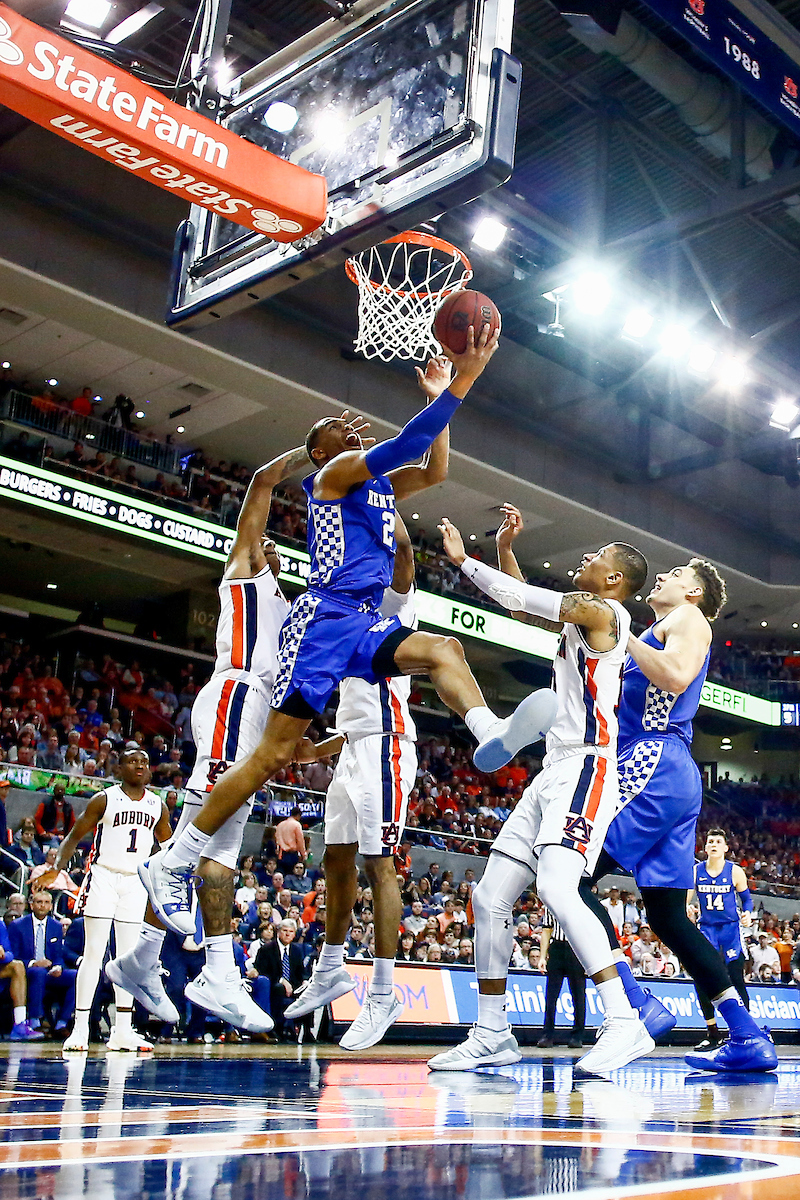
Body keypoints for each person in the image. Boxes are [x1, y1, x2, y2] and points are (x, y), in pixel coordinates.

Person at [142, 331, 556, 933]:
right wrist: (465, 379)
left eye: (349, 425)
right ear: (320, 452)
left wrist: (440, 396)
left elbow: (434, 464)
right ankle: (175, 861)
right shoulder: (334, 475)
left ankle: (488, 729)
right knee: (273, 755)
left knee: (444, 649)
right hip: (323, 618)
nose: (349, 425)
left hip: (364, 619)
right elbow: (411, 439)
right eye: (334, 426)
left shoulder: (381, 486)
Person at [108, 444, 338, 1034]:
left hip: (255, 712)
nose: (270, 549)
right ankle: (214, 970)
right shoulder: (243, 576)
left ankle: (140, 963)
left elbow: (304, 749)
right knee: (211, 850)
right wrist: (305, 457)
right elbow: (260, 485)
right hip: (235, 695)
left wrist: (356, 736)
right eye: (264, 543)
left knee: (213, 847)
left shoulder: (289, 610)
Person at [429, 506, 653, 1074]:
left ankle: (624, 1023)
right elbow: (519, 604)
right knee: (488, 898)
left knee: (557, 887)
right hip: (552, 771)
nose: (584, 557)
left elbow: (527, 602)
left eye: (595, 556)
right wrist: (506, 551)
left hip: (587, 768)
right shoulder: (583, 619)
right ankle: (491, 1032)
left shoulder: (606, 613)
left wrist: (465, 562)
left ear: (612, 580)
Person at [580, 559, 778, 1074]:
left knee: (570, 875)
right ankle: (746, 1035)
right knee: (668, 916)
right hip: (664, 771)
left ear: (693, 591)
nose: (663, 578)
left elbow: (675, 674)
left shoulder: (689, 620)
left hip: (652, 761)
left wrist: (624, 636)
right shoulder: (654, 629)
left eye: (673, 573)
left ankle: (635, 1001)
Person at [284, 513, 423, 1051]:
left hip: (388, 745)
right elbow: (353, 715)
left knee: (378, 864)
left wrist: (383, 508)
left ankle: (383, 993)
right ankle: (331, 967)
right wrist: (318, 748)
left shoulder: (389, 606)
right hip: (354, 747)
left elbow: (406, 560)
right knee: (335, 860)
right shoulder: (341, 619)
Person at [54, 749, 172, 1051]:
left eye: (144, 762)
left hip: (136, 881)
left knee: (128, 959)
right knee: (94, 953)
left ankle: (122, 1029)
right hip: (104, 876)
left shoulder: (157, 804)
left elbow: (167, 848)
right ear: (119, 767)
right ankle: (79, 1028)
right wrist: (56, 868)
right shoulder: (105, 799)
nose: (140, 766)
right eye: (133, 761)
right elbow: (74, 835)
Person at [689, 828, 754, 1050]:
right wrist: (687, 907)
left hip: (730, 930)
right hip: (707, 929)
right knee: (702, 979)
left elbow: (747, 900)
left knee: (736, 979)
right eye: (710, 841)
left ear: (726, 848)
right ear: (705, 848)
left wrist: (747, 913)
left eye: (718, 841)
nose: (714, 844)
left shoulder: (735, 872)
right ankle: (712, 1032)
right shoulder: (696, 871)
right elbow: (686, 899)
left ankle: (744, 1031)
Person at [8, 890, 76, 1037]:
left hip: (49, 970)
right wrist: (33, 963)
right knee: (38, 973)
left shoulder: (56, 926)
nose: (42, 906)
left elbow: (58, 954)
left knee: (76, 976)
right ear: (31, 905)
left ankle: (62, 1023)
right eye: (39, 902)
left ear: (51, 906)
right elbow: (14, 954)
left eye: (46, 903)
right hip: (26, 970)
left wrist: (58, 966)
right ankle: (35, 1021)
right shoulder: (17, 925)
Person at [537, 908, 585, 1050]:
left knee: (578, 995)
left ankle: (577, 1036)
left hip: (577, 947)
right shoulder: (550, 903)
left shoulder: (580, 901)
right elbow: (546, 930)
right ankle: (547, 1035)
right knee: (551, 995)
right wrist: (542, 956)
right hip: (556, 947)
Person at [260, 920, 306, 1041]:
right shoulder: (267, 949)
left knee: (308, 990)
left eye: (291, 932)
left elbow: (301, 972)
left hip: (293, 986)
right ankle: (277, 1029)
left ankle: (305, 1031)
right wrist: (281, 980)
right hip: (274, 985)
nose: (287, 934)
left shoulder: (297, 950)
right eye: (284, 931)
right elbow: (262, 972)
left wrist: (305, 981)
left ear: (294, 934)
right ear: (279, 932)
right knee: (279, 988)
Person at [276, 807, 306, 875]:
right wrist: (303, 854)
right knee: (291, 876)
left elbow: (277, 840)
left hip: (281, 855)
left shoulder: (280, 825)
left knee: (281, 875)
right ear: (298, 815)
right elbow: (300, 841)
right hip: (291, 855)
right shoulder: (296, 825)